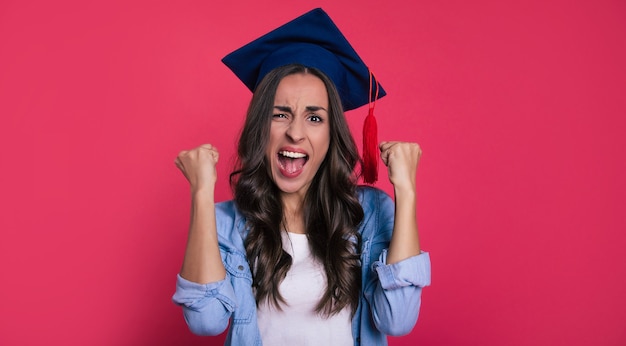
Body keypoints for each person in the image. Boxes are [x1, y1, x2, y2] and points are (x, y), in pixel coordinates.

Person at [172, 8, 431, 346]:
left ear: (331, 132)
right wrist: (201, 194)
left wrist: (407, 192)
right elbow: (205, 321)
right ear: (260, 125)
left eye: (314, 118)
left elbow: (397, 320)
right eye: (280, 114)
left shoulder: (369, 215)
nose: (295, 133)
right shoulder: (227, 223)